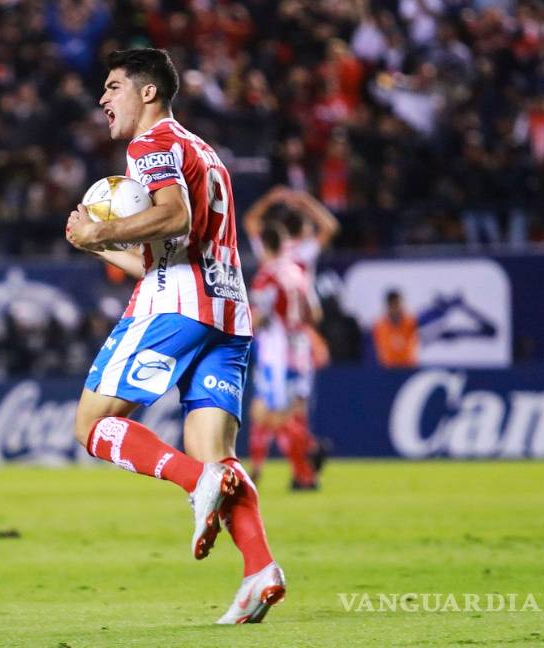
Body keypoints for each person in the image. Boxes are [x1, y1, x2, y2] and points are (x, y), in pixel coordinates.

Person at [65, 48, 285, 625]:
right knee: (218, 454)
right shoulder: (202, 151)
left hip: (175, 311)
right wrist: (98, 246)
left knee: (91, 426)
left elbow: (174, 216)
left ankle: (196, 481)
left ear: (148, 92)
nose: (102, 98)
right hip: (226, 314)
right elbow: (167, 257)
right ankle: (260, 569)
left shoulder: (151, 144)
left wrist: (102, 228)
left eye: (113, 86)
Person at [243, 187, 336, 489]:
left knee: (268, 411)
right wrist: (305, 201)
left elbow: (259, 316)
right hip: (301, 342)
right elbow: (314, 312)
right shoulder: (299, 265)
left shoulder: (269, 271)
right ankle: (302, 474)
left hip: (276, 347)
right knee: (292, 410)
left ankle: (307, 450)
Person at [373, 289, 419, 367]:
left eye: (397, 304)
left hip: (409, 367)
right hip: (388, 368)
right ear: (388, 305)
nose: (396, 307)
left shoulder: (411, 322)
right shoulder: (379, 326)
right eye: (393, 304)